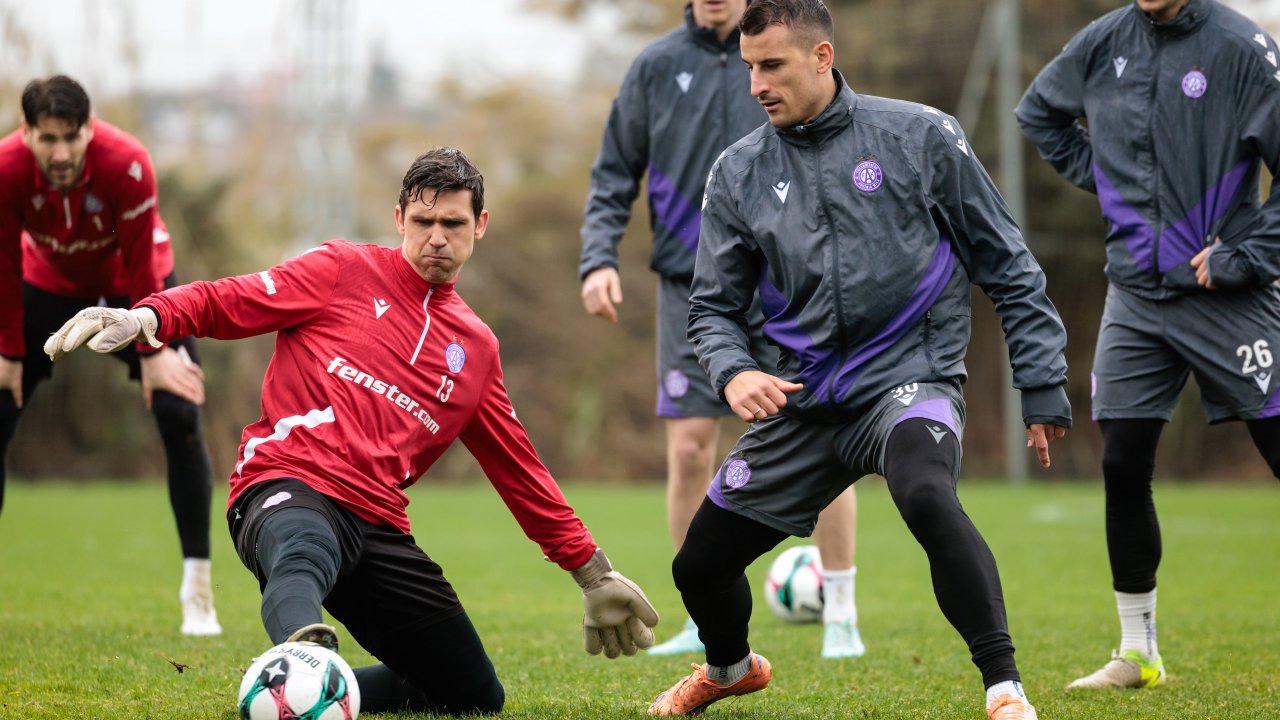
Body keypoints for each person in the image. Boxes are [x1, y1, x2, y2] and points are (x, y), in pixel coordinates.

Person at [46, 147, 660, 715]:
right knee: (303, 549)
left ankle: (302, 687)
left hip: (377, 524)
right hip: (285, 483)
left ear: (481, 225)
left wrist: (591, 572)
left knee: (473, 695)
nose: (437, 238)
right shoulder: (341, 269)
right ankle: (298, 646)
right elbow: (228, 300)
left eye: (452, 223)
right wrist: (150, 313)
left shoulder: (476, 351)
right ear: (398, 219)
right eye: (423, 224)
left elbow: (520, 473)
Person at [645, 1, 1074, 717]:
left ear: (821, 57)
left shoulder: (921, 136)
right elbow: (713, 306)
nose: (756, 85)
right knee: (699, 562)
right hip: (803, 400)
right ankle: (727, 668)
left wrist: (1041, 381)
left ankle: (1004, 689)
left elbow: (1008, 265)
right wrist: (735, 370)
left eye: (772, 66)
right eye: (750, 68)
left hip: (908, 380)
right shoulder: (738, 172)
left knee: (927, 496)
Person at [580, 0, 863, 659]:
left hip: (787, 285)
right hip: (689, 287)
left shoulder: (781, 51)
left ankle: (842, 611)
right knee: (688, 450)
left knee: (823, 437)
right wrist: (598, 258)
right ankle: (702, 619)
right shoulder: (655, 65)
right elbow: (615, 169)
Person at [1016, 0, 1280, 691]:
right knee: (1123, 461)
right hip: (1135, 295)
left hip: (1230, 297)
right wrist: (1109, 179)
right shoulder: (1102, 42)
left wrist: (1246, 256)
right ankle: (1138, 653)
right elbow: (1038, 112)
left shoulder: (1241, 47)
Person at [0, 75, 220, 636]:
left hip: (134, 288)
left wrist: (152, 348)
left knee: (179, 409)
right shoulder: (6, 169)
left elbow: (144, 259)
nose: (61, 152)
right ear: (26, 133)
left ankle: (198, 588)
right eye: (47, 139)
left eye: (72, 137)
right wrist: (8, 352)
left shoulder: (127, 163)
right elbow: (2, 262)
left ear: (89, 128)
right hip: (45, 289)